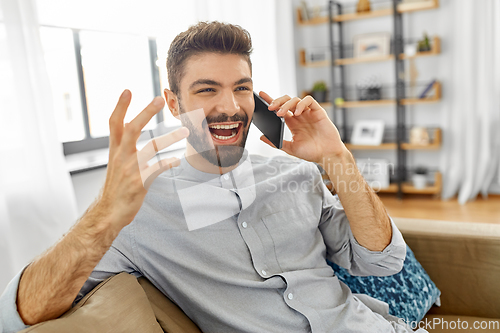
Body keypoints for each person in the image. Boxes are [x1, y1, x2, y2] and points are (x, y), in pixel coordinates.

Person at [0, 21, 422, 333]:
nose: (230, 106)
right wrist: (104, 215)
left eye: (241, 87)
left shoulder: (294, 172)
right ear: (172, 101)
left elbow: (382, 261)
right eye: (206, 90)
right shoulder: (137, 210)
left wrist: (337, 157)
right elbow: (16, 316)